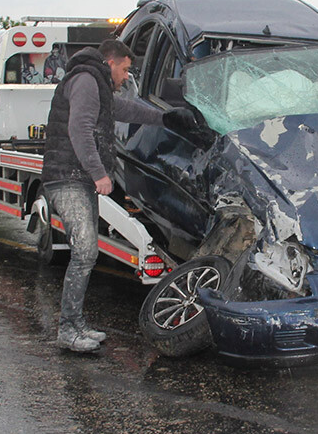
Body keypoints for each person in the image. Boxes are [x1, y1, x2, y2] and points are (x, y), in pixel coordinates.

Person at [41, 39, 200, 352]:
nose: (127, 76)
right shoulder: (86, 81)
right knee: (85, 251)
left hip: (77, 178)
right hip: (68, 177)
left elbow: (125, 109)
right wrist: (100, 173)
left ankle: (75, 324)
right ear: (111, 62)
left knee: (85, 253)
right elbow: (80, 129)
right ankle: (67, 329)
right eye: (125, 69)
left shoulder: (97, 84)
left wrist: (165, 118)